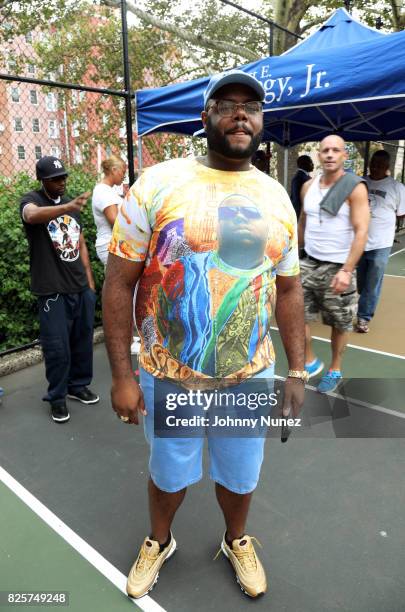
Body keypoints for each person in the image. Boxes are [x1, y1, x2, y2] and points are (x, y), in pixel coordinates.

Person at [103, 69, 306, 600]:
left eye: (251, 107)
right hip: (170, 376)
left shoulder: (277, 199)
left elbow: (288, 292)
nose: (241, 114)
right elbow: (119, 283)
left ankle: (236, 540)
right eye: (227, 104)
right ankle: (159, 540)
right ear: (205, 117)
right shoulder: (158, 184)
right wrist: (123, 376)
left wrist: (299, 369)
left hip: (248, 374)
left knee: (241, 474)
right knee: (169, 473)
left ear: (261, 122)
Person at [20, 156, 99, 423]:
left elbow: (80, 242)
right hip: (52, 290)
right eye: (55, 179)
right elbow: (31, 216)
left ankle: (77, 386)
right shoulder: (32, 200)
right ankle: (57, 397)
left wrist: (89, 283)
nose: (62, 182)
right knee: (57, 349)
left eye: (64, 177)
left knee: (82, 342)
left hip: (79, 288)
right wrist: (65, 207)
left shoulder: (72, 207)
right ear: (42, 181)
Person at [298, 136, 370, 393]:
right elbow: (303, 222)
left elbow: (362, 232)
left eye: (335, 150)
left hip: (340, 266)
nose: (329, 154)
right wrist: (293, 256)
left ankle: (335, 368)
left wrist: (347, 269)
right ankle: (309, 360)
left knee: (339, 323)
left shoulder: (354, 188)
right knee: (296, 316)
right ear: (318, 155)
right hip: (308, 262)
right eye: (325, 150)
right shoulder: (308, 187)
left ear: (344, 156)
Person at [356, 150, 405, 333]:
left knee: (372, 282)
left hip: (381, 244)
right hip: (360, 241)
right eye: (373, 163)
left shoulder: (397, 187)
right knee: (361, 282)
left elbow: (402, 213)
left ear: (387, 167)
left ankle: (363, 318)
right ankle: (363, 302)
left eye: (380, 165)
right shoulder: (361, 182)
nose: (375, 167)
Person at [91, 155, 127, 266]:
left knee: (117, 282)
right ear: (114, 170)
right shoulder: (103, 191)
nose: (124, 176)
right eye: (123, 171)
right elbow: (115, 221)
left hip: (114, 244)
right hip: (110, 244)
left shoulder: (107, 190)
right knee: (119, 282)